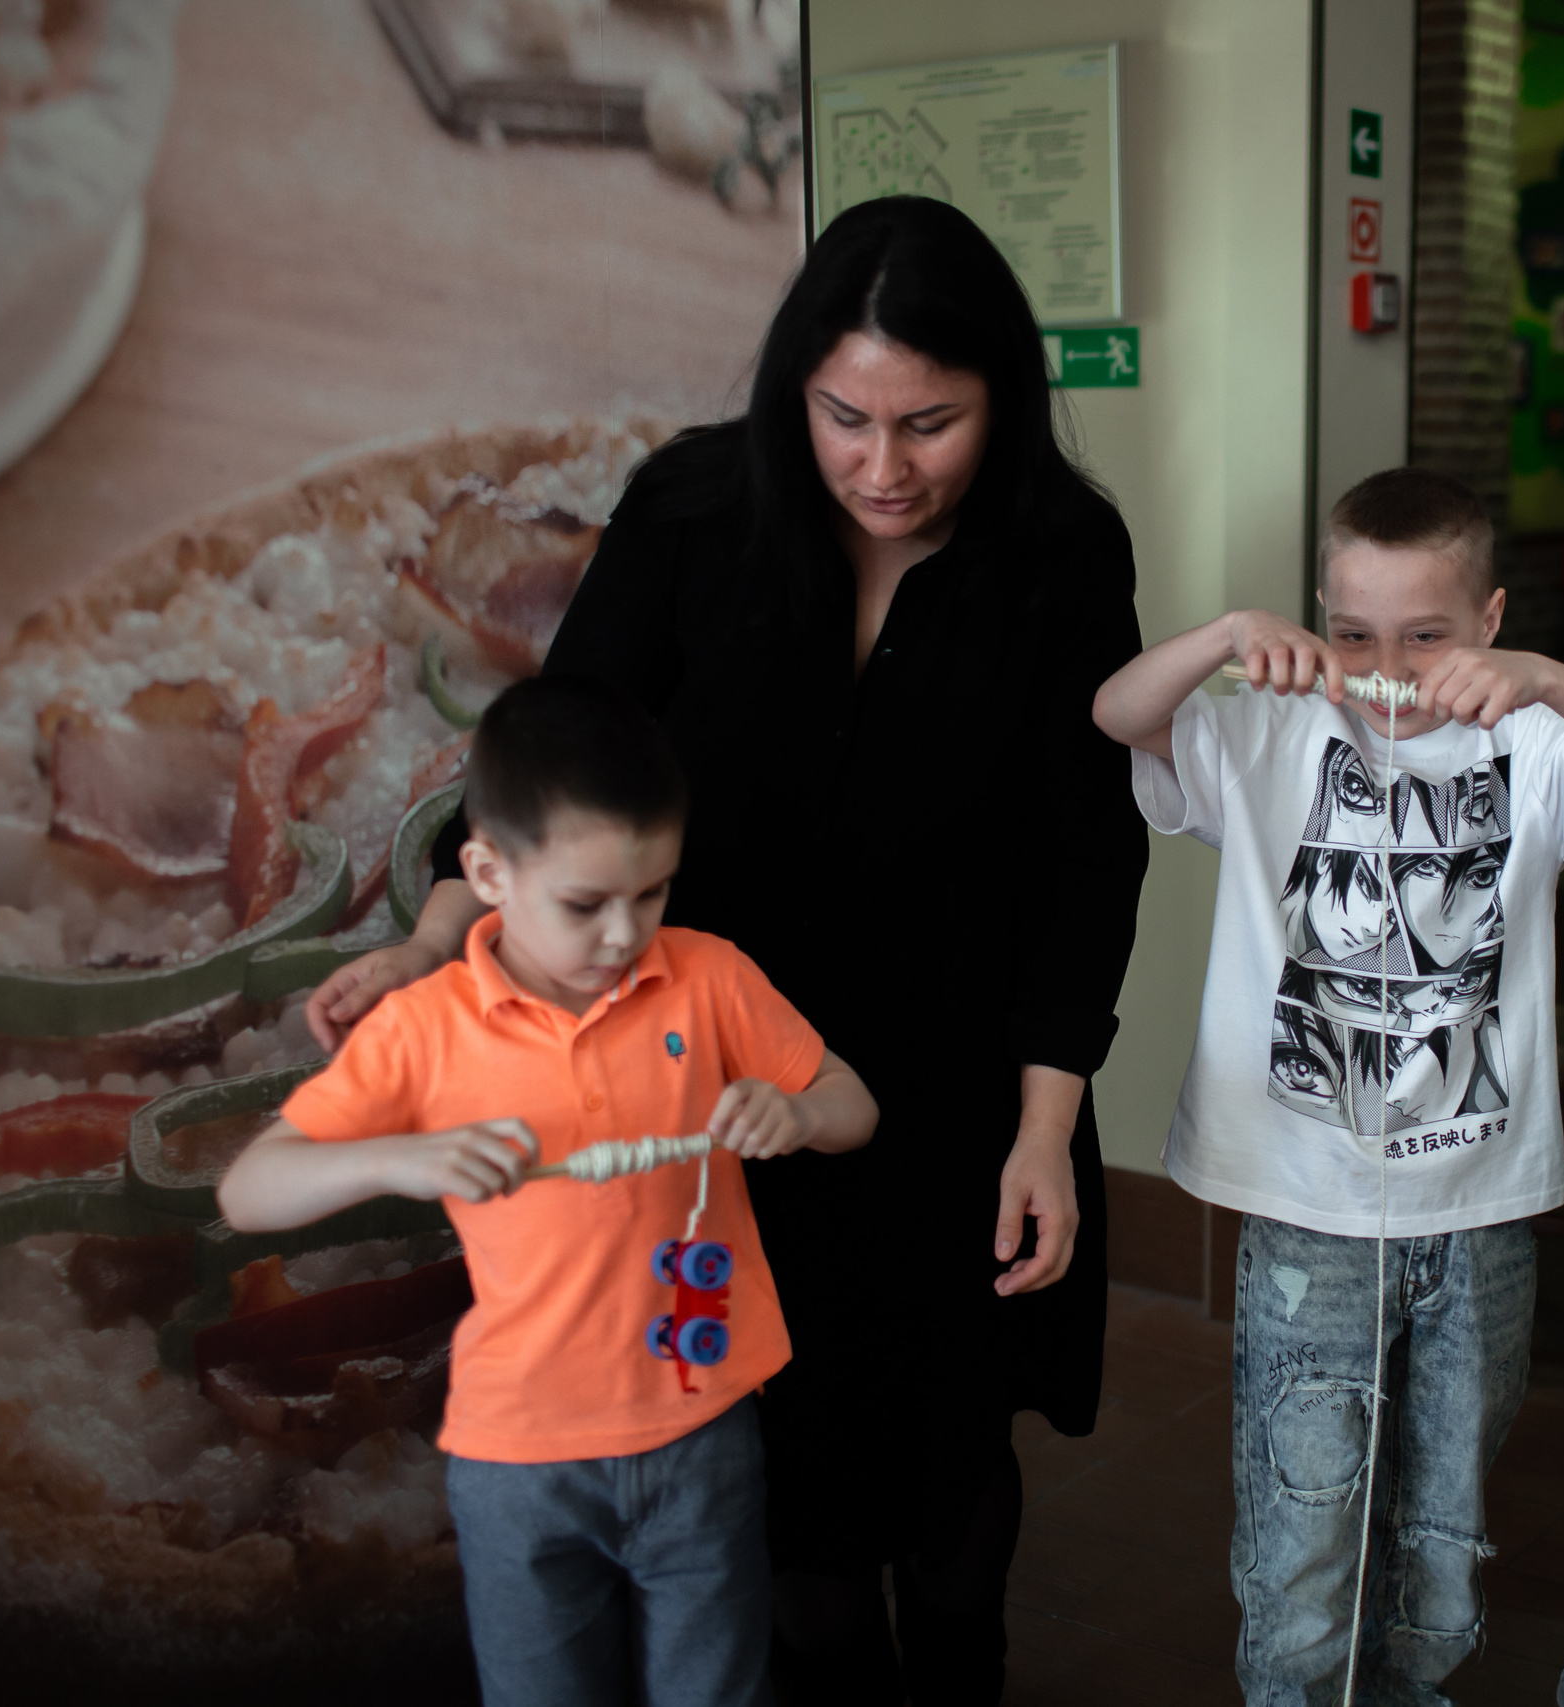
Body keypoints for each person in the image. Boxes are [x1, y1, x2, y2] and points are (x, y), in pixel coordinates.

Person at [302, 196, 1150, 1704]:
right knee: (792, 1513)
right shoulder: (696, 511)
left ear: (1003, 401)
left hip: (959, 1098)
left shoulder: (1061, 552)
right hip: (719, 1096)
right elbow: (565, 748)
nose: (883, 466)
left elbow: (1084, 855)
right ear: (792, 393)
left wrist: (1046, 1123)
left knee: (955, 1505)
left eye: (931, 423)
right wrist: (446, 922)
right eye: (845, 417)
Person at [1092, 466, 1564, 1704]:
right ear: (1319, 615)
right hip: (1304, 1215)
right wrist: (1224, 637)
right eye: (1356, 631)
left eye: (1426, 635)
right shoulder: (1267, 733)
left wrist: (1544, 679)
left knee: (1442, 1536)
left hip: (1478, 1213)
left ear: (1486, 620)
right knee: (1305, 1519)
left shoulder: (1529, 742)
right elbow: (1118, 713)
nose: (1391, 665)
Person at [218, 675, 879, 1707]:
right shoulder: (425, 1027)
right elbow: (250, 1190)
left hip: (702, 1435)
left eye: (652, 893)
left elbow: (852, 1103)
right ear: (486, 871)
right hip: (517, 1460)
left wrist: (798, 1115)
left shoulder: (707, 978)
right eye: (586, 904)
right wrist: (399, 1160)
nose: (624, 935)